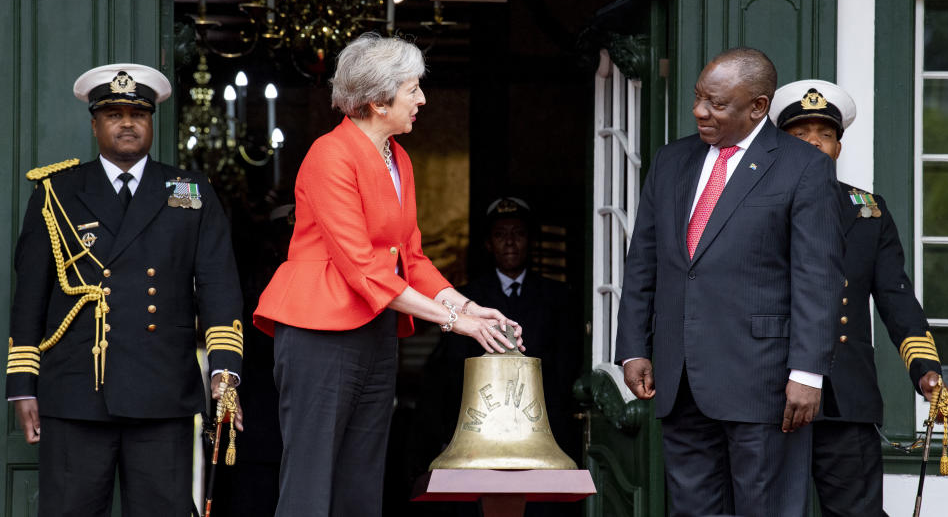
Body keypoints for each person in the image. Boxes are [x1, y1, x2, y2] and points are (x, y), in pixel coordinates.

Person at [253, 32, 524, 517]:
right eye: (413, 88)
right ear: (379, 100)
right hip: (319, 333)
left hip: (375, 332)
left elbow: (411, 258)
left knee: (362, 480)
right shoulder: (329, 155)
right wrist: (451, 320)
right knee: (311, 484)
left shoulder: (397, 157)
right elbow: (362, 269)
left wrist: (467, 306)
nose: (422, 99)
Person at [614, 48, 845, 517]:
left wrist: (807, 373)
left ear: (758, 106)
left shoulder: (803, 166)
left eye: (717, 104)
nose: (700, 111)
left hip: (765, 381)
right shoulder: (672, 159)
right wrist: (635, 346)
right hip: (680, 382)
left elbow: (816, 275)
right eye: (699, 98)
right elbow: (645, 260)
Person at [5, 64, 244, 516]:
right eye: (113, 114)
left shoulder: (190, 191)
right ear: (94, 124)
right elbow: (30, 298)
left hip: (162, 393)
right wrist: (22, 386)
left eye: (138, 114)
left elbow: (219, 287)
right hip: (76, 392)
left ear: (152, 122)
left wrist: (224, 373)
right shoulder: (56, 192)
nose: (127, 123)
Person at [769, 78, 948, 517]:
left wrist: (927, 371)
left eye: (826, 135)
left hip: (846, 399)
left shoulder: (868, 211)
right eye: (800, 136)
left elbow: (896, 298)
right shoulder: (755, 207)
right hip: (770, 393)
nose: (815, 144)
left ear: (838, 147)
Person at [418, 196, 582, 517]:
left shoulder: (558, 297)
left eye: (518, 233)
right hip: (478, 433)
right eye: (500, 234)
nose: (509, 242)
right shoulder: (466, 299)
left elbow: (565, 367)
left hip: (541, 433)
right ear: (488, 244)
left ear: (530, 241)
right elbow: (451, 372)